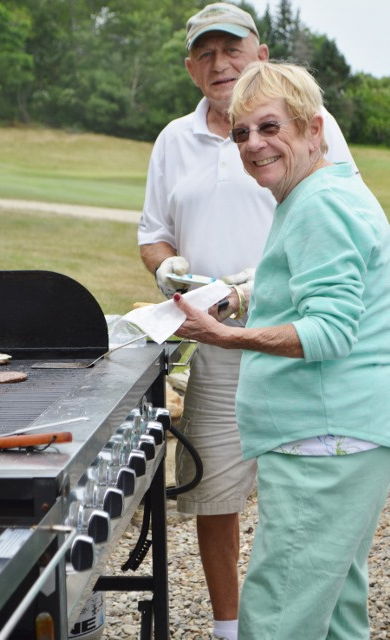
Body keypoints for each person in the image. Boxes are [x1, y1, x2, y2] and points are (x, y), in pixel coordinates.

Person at [138, 4, 358, 638]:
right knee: (215, 493)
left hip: (303, 337)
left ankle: (323, 623)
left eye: (231, 49)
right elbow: (153, 234)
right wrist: (166, 269)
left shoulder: (306, 125)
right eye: (205, 53)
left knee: (311, 494)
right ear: (190, 68)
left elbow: (338, 214)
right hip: (216, 342)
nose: (219, 63)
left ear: (261, 55)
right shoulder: (173, 141)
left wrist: (250, 288)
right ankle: (230, 628)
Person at [171, 60, 390, 640]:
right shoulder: (319, 193)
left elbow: (330, 331)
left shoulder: (319, 204)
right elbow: (318, 295)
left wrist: (224, 338)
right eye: (241, 133)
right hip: (342, 439)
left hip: (323, 444)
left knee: (277, 619)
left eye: (270, 127)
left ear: (313, 130)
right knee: (336, 610)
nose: (253, 144)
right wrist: (243, 298)